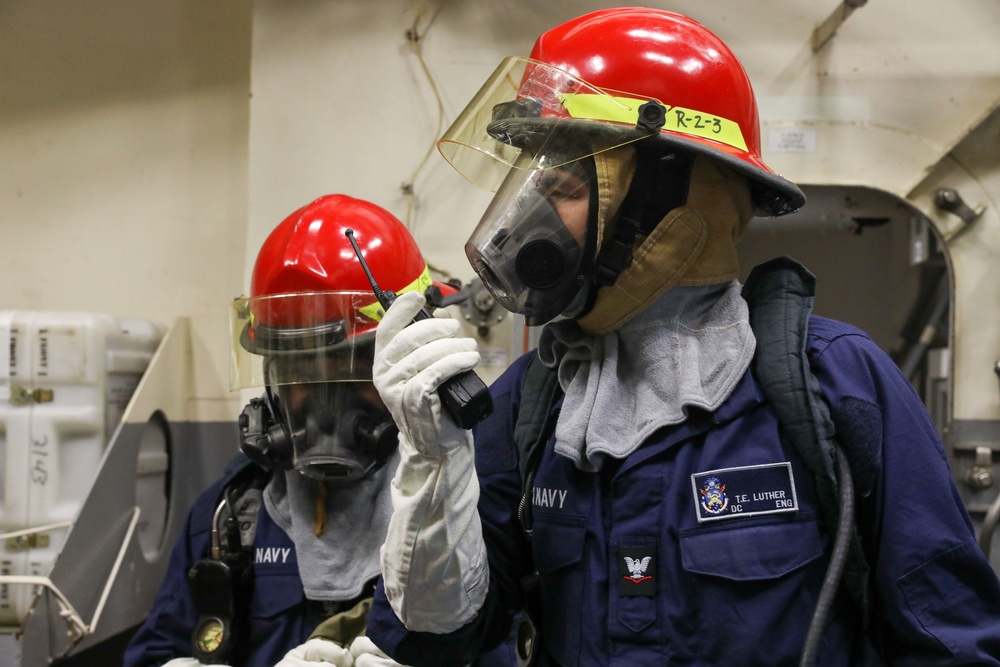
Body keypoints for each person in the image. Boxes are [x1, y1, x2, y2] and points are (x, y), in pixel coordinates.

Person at [364, 8, 1000, 666]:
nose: (523, 224)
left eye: (562, 187)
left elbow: (952, 643)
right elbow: (436, 636)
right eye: (531, 188)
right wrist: (433, 465)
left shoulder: (837, 384)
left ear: (668, 200)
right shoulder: (534, 399)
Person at [123, 194, 516, 667]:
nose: (326, 409)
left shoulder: (463, 503)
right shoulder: (231, 514)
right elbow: (155, 654)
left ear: (403, 360)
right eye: (302, 373)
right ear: (271, 377)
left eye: (354, 371)